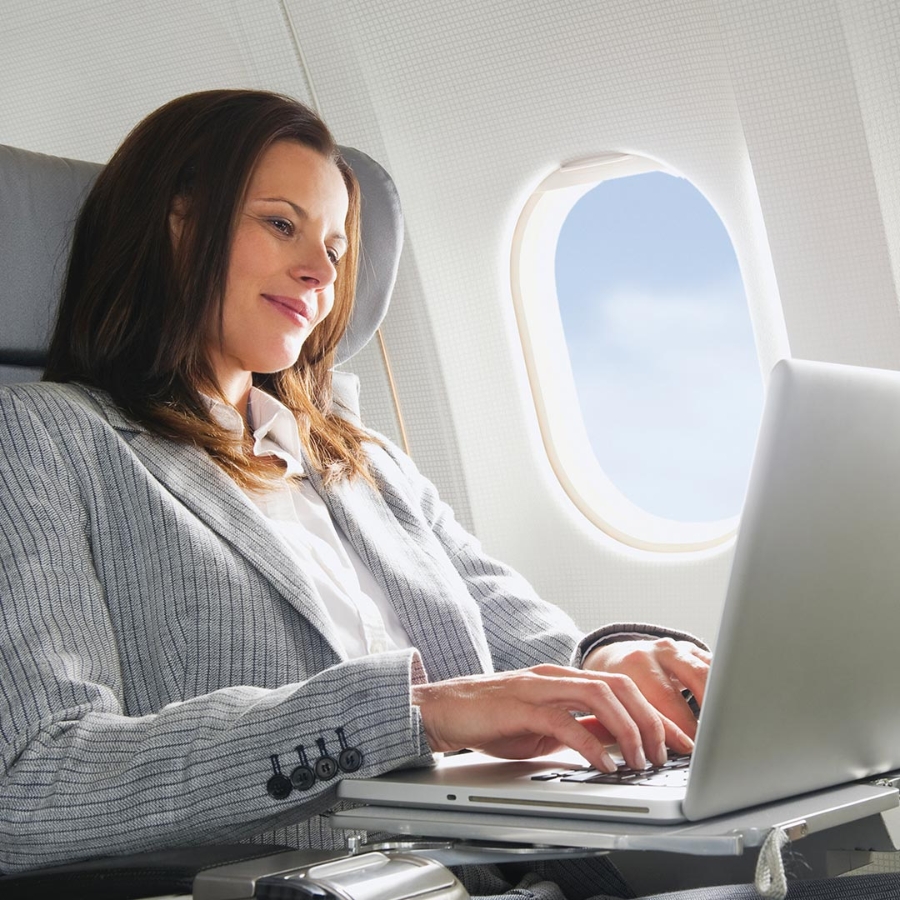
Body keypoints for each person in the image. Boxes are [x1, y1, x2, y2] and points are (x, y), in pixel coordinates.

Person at [3, 90, 894, 900]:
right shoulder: (50, 438)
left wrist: (623, 661)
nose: (321, 272)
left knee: (843, 862)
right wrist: (416, 713)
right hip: (325, 884)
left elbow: (538, 657)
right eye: (282, 224)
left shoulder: (363, 462)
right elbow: (36, 784)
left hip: (509, 863)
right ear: (176, 224)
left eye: (338, 245)